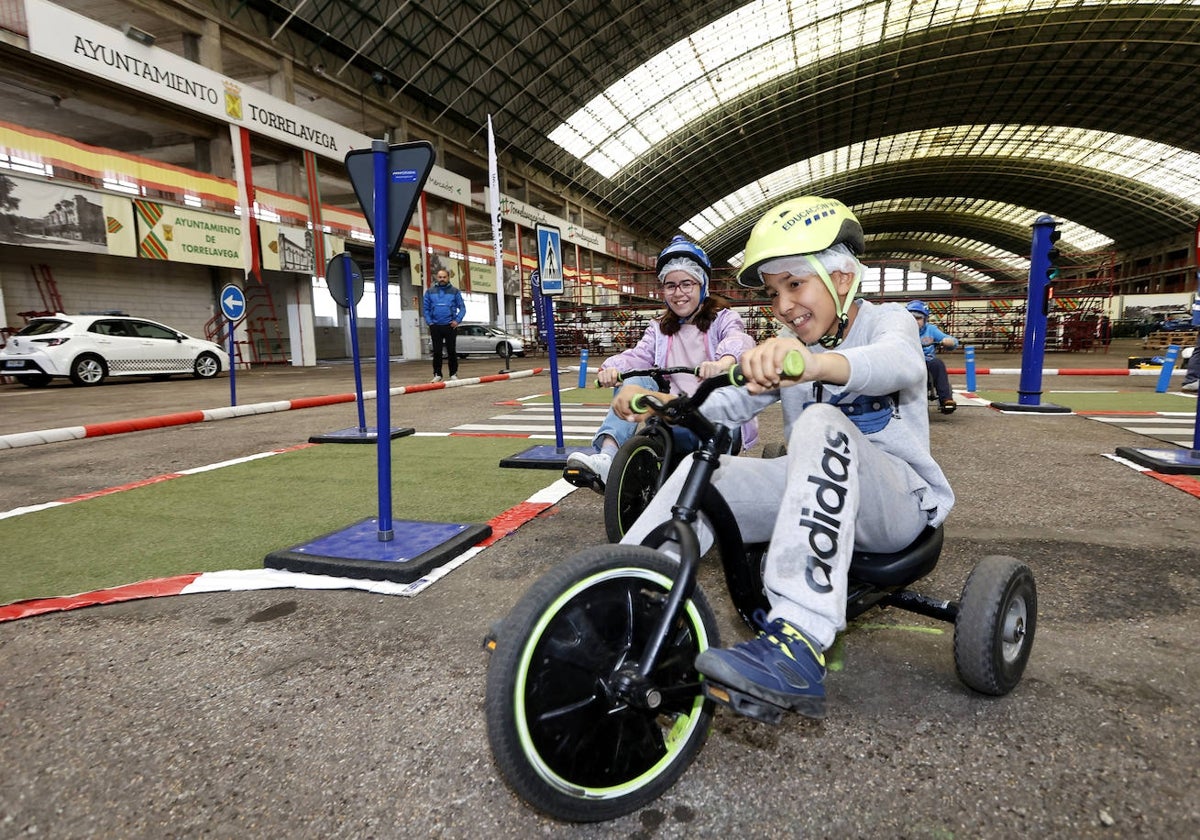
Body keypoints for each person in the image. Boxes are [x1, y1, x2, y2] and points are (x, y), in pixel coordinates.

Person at [620, 196, 955, 720]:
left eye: (794, 285)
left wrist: (816, 364)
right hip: (820, 487)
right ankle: (620, 605)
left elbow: (901, 364)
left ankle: (799, 639)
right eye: (774, 292)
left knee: (821, 423)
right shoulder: (789, 342)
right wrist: (672, 405)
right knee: (708, 476)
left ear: (842, 280)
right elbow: (730, 403)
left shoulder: (889, 322)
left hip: (896, 505)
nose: (781, 305)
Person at [563, 236, 758, 492]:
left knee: (707, 484)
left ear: (703, 285)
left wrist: (725, 361)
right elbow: (637, 356)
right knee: (634, 380)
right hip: (672, 411)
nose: (679, 293)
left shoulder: (723, 319)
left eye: (686, 284)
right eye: (670, 286)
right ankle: (609, 457)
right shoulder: (658, 328)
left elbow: (739, 339)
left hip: (716, 416)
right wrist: (613, 368)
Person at [905, 299, 958, 413]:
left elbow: (953, 341)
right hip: (907, 363)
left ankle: (946, 399)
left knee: (937, 363)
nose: (914, 321)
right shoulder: (900, 331)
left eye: (918, 318)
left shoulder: (931, 330)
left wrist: (948, 341)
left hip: (927, 362)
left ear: (925, 319)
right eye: (911, 318)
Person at [422, 267, 466, 382]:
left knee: (451, 351)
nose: (442, 279)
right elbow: (425, 308)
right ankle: (437, 374)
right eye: (440, 277)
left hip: (450, 326)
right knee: (437, 351)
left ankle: (453, 374)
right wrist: (430, 322)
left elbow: (462, 308)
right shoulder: (430, 292)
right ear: (437, 278)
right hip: (435, 326)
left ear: (448, 278)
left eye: (444, 277)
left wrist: (457, 320)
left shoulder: (455, 291)